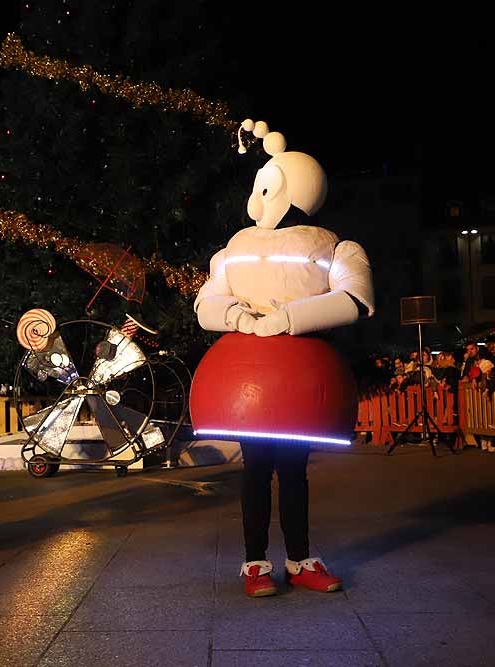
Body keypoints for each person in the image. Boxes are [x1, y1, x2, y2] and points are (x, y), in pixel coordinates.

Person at [193, 119, 372, 597]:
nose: (258, 202)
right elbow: (205, 303)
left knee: (293, 472)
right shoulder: (235, 248)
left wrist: (289, 316)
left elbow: (355, 298)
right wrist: (237, 315)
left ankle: (298, 558)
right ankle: (255, 562)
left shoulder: (331, 245)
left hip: (299, 383)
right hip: (248, 380)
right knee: (256, 471)